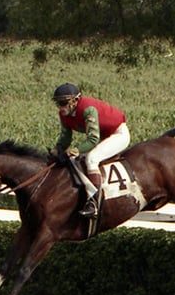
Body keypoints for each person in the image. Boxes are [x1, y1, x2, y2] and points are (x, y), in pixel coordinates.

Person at [52, 83, 131, 217]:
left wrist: (76, 150)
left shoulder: (88, 110)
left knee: (91, 159)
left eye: (63, 103)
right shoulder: (64, 114)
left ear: (75, 101)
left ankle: (94, 203)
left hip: (118, 134)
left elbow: (93, 139)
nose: (60, 107)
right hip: (104, 137)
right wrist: (56, 151)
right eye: (57, 103)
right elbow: (65, 138)